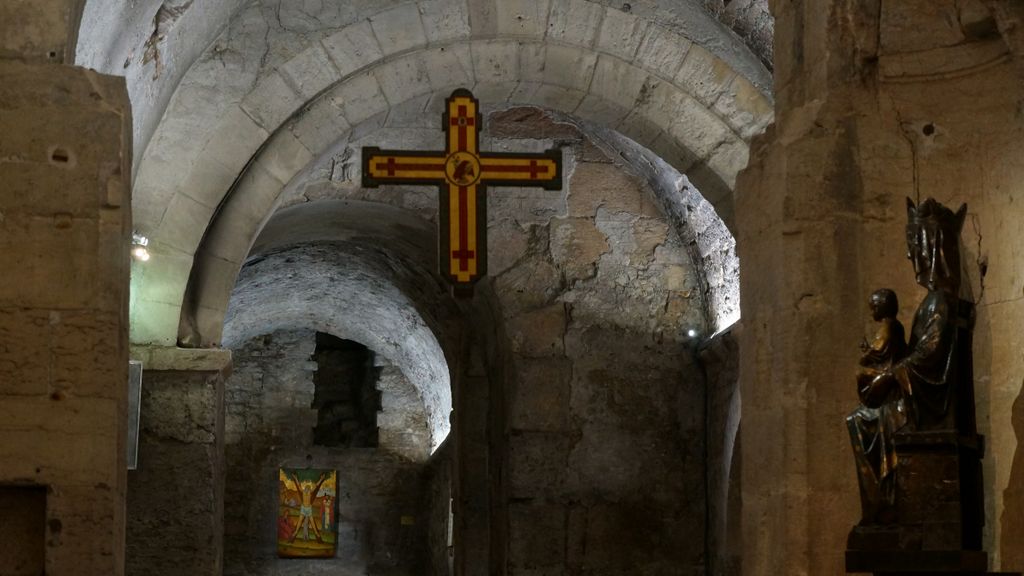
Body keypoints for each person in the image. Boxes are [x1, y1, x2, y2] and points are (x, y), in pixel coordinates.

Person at [847, 288, 908, 523]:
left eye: (874, 305)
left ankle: (882, 497)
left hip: (890, 398)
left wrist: (864, 366)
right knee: (855, 420)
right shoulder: (894, 328)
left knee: (856, 421)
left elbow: (876, 354)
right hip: (889, 391)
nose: (871, 309)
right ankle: (879, 499)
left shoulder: (888, 327)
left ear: (883, 306)